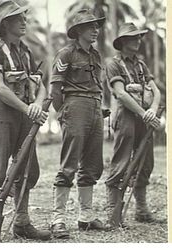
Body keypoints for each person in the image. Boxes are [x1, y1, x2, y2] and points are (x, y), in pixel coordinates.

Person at [0, 0, 51, 241]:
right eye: (19, 18)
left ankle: (21, 222)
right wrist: (28, 109)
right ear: (6, 23)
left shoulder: (25, 51)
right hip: (2, 114)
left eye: (24, 17)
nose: (24, 21)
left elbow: (39, 85)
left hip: (24, 115)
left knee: (27, 169)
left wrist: (38, 106)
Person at [49, 9, 106, 239]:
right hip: (75, 108)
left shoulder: (96, 56)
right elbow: (55, 90)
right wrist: (64, 113)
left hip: (95, 107)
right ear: (78, 31)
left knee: (93, 163)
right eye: (90, 26)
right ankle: (58, 217)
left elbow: (97, 86)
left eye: (96, 26)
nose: (95, 30)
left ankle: (86, 216)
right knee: (69, 163)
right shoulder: (66, 54)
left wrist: (98, 108)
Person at [104, 23, 161, 227]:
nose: (138, 40)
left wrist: (152, 110)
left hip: (144, 117)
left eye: (139, 37)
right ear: (123, 42)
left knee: (146, 162)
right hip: (126, 117)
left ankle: (142, 209)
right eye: (134, 37)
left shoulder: (141, 65)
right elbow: (120, 93)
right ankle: (113, 212)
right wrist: (144, 113)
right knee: (121, 162)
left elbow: (156, 91)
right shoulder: (114, 64)